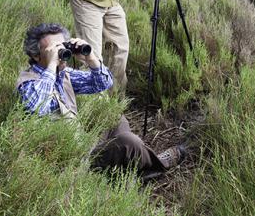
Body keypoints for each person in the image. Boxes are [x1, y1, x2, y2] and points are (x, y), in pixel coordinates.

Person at [16, 23, 184, 179]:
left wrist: (90, 58)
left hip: (82, 145)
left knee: (114, 119)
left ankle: (128, 170)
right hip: (66, 162)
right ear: (36, 56)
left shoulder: (63, 74)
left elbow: (103, 83)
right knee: (128, 142)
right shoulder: (28, 82)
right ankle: (154, 165)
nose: (60, 54)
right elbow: (37, 105)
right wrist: (52, 64)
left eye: (63, 46)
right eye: (53, 49)